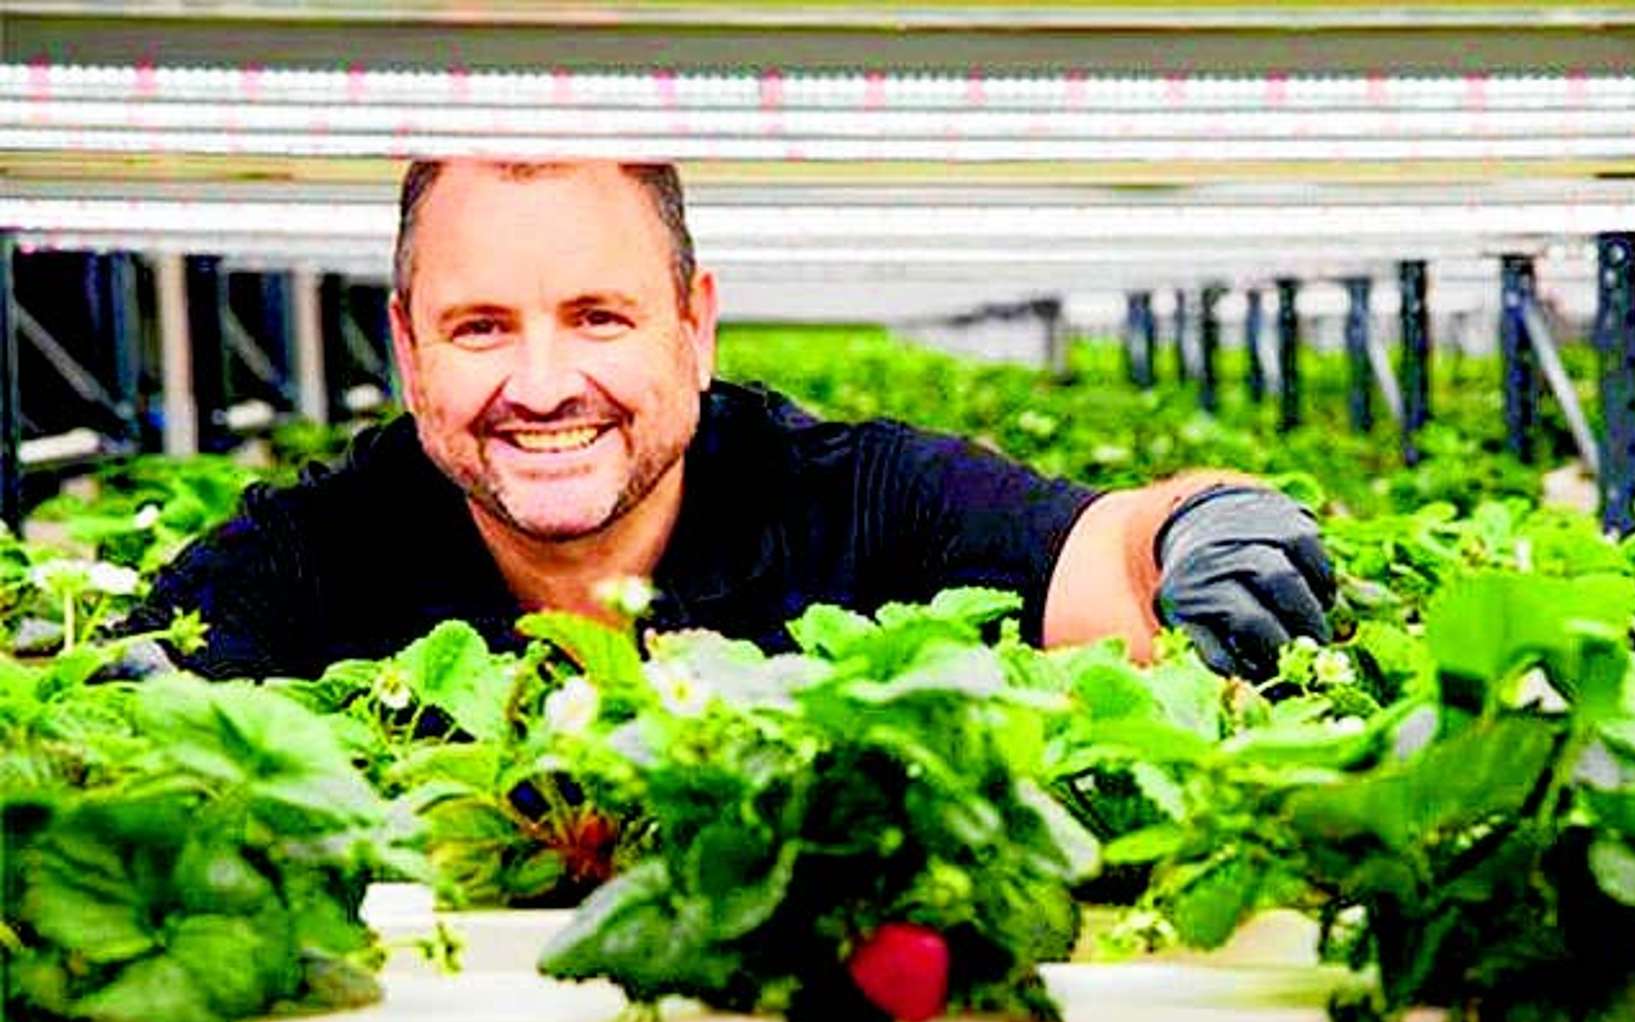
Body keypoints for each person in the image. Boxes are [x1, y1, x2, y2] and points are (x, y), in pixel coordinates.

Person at [125, 159, 1333, 683]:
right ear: (406, 348)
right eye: (482, 326)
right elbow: (143, 703)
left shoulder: (855, 499)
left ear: (694, 328)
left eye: (599, 317)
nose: (543, 383)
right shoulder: (302, 560)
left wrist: (1207, 524)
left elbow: (1109, 549)